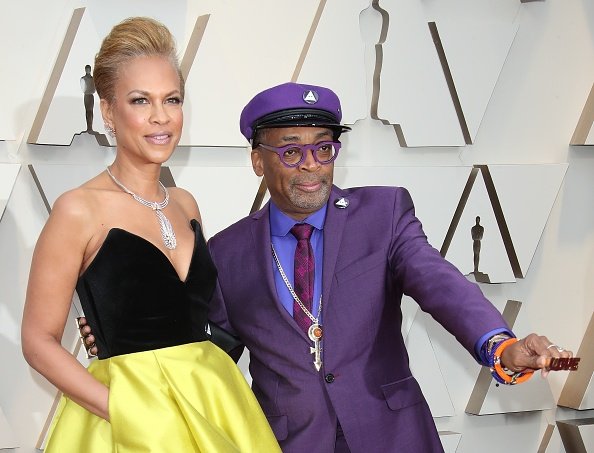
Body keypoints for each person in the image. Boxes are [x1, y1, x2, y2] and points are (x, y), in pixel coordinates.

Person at [81, 82, 574, 452]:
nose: (312, 164)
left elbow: (437, 282)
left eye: (323, 147)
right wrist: (125, 341)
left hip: (394, 438)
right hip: (291, 443)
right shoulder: (228, 252)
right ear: (257, 160)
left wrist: (500, 345)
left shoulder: (383, 214)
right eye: (291, 150)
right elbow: (207, 355)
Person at [21, 17, 280, 452]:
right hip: (130, 419)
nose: (161, 117)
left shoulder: (185, 203)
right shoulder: (78, 209)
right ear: (108, 110)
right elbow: (38, 341)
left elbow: (192, 314)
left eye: (172, 100)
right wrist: (126, 411)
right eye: (140, 101)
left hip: (213, 401)